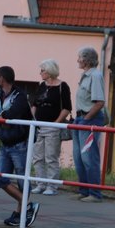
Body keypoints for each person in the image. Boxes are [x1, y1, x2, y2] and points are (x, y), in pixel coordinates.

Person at [0, 66, 39, 227]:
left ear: (2, 78)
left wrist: (1, 116)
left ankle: (19, 215)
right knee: (0, 179)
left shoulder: (19, 96)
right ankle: (27, 206)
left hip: (20, 143)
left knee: (22, 180)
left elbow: (13, 114)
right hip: (5, 142)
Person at [30, 59, 72, 196]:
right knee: (37, 156)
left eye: (42, 70)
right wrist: (33, 119)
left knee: (51, 157)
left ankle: (52, 186)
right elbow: (35, 103)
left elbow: (67, 108)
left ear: (49, 71)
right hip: (38, 126)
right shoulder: (42, 85)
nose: (40, 73)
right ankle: (40, 183)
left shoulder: (62, 86)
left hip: (53, 126)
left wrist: (56, 122)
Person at [73, 46, 107, 201]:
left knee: (89, 157)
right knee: (79, 157)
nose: (78, 60)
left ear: (86, 60)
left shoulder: (95, 75)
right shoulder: (86, 75)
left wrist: (86, 119)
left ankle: (95, 193)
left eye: (80, 57)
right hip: (80, 118)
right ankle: (84, 190)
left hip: (89, 118)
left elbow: (99, 102)